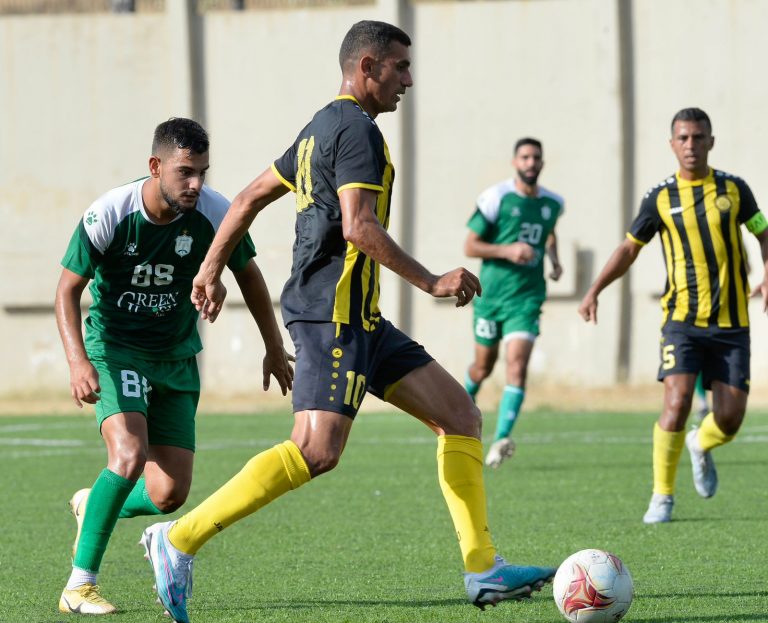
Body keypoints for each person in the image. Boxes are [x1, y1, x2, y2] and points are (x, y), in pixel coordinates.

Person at [139, 21, 556, 623]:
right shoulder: (357, 130)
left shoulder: (319, 127)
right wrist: (433, 281)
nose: (408, 81)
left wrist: (209, 269)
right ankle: (178, 539)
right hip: (329, 316)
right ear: (367, 66)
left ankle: (483, 568)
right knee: (316, 450)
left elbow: (249, 197)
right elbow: (359, 226)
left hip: (361, 318)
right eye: (400, 67)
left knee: (460, 415)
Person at [55, 118, 294, 614]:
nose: (196, 183)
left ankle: (93, 502)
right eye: (185, 172)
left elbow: (249, 276)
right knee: (128, 455)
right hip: (116, 348)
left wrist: (274, 346)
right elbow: (67, 289)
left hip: (177, 355)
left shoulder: (215, 212)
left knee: (168, 493)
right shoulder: (110, 213)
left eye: (203, 172)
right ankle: (79, 585)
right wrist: (77, 360)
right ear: (155, 166)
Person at [578, 107, 768, 524]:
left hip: (732, 323)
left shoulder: (735, 190)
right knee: (678, 400)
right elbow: (629, 248)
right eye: (683, 138)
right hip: (681, 321)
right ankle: (662, 496)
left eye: (698, 137)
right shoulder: (659, 198)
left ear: (711, 142)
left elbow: (763, 231)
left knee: (730, 419)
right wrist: (594, 289)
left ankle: (701, 443)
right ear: (672, 144)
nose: (690, 145)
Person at [463, 138, 564, 468]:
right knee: (483, 367)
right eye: (525, 157)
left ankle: (501, 439)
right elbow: (471, 246)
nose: (530, 162)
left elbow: (549, 231)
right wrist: (508, 250)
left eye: (536, 157)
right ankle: (460, 408)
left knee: (517, 366)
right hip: (491, 298)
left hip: (527, 298)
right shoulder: (497, 198)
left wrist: (554, 259)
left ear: (542, 163)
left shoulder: (553, 203)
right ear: (514, 162)